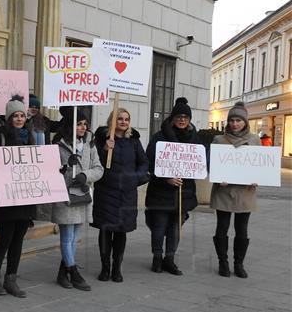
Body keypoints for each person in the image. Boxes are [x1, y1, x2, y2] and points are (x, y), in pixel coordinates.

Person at [91, 108, 149, 283]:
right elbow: (94, 163)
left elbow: (144, 162)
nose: (123, 122)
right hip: (106, 191)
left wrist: (136, 177)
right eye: (120, 119)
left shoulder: (133, 141)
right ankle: (105, 268)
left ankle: (117, 268)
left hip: (126, 193)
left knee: (121, 230)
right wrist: (104, 149)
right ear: (112, 120)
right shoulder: (102, 138)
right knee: (106, 230)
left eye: (126, 119)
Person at [0, 96, 35, 298]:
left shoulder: (29, 136)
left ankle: (11, 278)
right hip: (6, 196)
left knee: (19, 238)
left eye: (22, 115)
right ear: (8, 118)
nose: (19, 119)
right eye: (15, 115)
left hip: (25, 195)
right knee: (5, 238)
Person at [145, 97, 199, 275]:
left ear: (189, 119)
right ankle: (157, 257)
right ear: (172, 118)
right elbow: (149, 163)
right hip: (161, 190)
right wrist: (166, 179)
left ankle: (170, 258)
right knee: (159, 226)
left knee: (175, 228)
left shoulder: (194, 139)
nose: (182, 119)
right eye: (179, 116)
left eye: (185, 117)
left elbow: (200, 163)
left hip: (184, 191)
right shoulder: (159, 138)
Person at [52, 107, 103, 291]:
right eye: (79, 124)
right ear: (70, 126)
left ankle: (62, 272)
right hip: (65, 196)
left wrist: (84, 175)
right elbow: (52, 171)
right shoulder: (58, 145)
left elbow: (99, 169)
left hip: (83, 194)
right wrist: (66, 168)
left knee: (75, 237)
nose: (83, 128)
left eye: (85, 124)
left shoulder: (90, 144)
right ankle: (73, 272)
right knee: (67, 236)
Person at [210, 101, 260, 278]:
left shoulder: (254, 140)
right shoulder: (219, 139)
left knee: (242, 229)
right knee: (222, 227)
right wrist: (217, 178)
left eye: (239, 120)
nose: (235, 124)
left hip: (245, 192)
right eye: (232, 120)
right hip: (223, 191)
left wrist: (256, 179)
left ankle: (239, 263)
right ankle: (223, 262)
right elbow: (213, 165)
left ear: (245, 122)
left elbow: (259, 165)